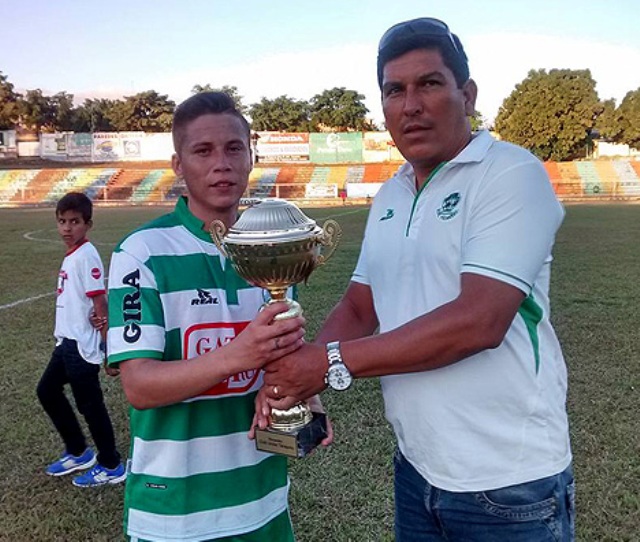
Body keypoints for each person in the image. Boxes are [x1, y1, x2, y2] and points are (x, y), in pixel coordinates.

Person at [258, 17, 575, 541]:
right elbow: (360, 306)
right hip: (416, 468)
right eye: (394, 90)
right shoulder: (392, 194)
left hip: (507, 482)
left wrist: (328, 363)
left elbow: (479, 321)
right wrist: (301, 379)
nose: (410, 105)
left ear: (467, 95)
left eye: (429, 83)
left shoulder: (510, 174)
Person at [106, 91, 329, 542]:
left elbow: (283, 358)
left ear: (251, 157)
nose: (221, 164)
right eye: (203, 151)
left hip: (264, 501)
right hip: (175, 515)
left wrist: (305, 396)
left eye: (233, 149)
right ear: (178, 164)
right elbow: (139, 386)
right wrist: (237, 355)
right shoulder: (141, 253)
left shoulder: (273, 249)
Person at [37, 191, 125, 488]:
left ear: (88, 224)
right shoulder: (73, 254)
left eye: (74, 222)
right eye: (62, 221)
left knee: (90, 405)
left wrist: (109, 350)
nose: (67, 228)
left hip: (81, 346)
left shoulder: (86, 255)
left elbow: (100, 303)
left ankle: (111, 464)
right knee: (47, 391)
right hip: (67, 342)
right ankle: (78, 451)